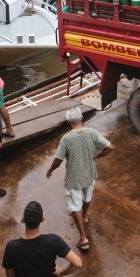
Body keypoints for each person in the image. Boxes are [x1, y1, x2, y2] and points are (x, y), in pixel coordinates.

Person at [46, 107, 113, 251]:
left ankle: (83, 238)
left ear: (69, 121)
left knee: (74, 205)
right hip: (90, 173)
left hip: (74, 177)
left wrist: (51, 169)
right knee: (86, 198)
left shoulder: (67, 138)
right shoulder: (92, 132)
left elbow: (58, 159)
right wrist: (98, 156)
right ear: (81, 119)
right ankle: (85, 215)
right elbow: (110, 147)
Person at [2, 201, 83, 277]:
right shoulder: (53, 241)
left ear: (23, 220)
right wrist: (61, 273)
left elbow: (9, 273)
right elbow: (78, 263)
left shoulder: (11, 247)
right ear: (42, 220)